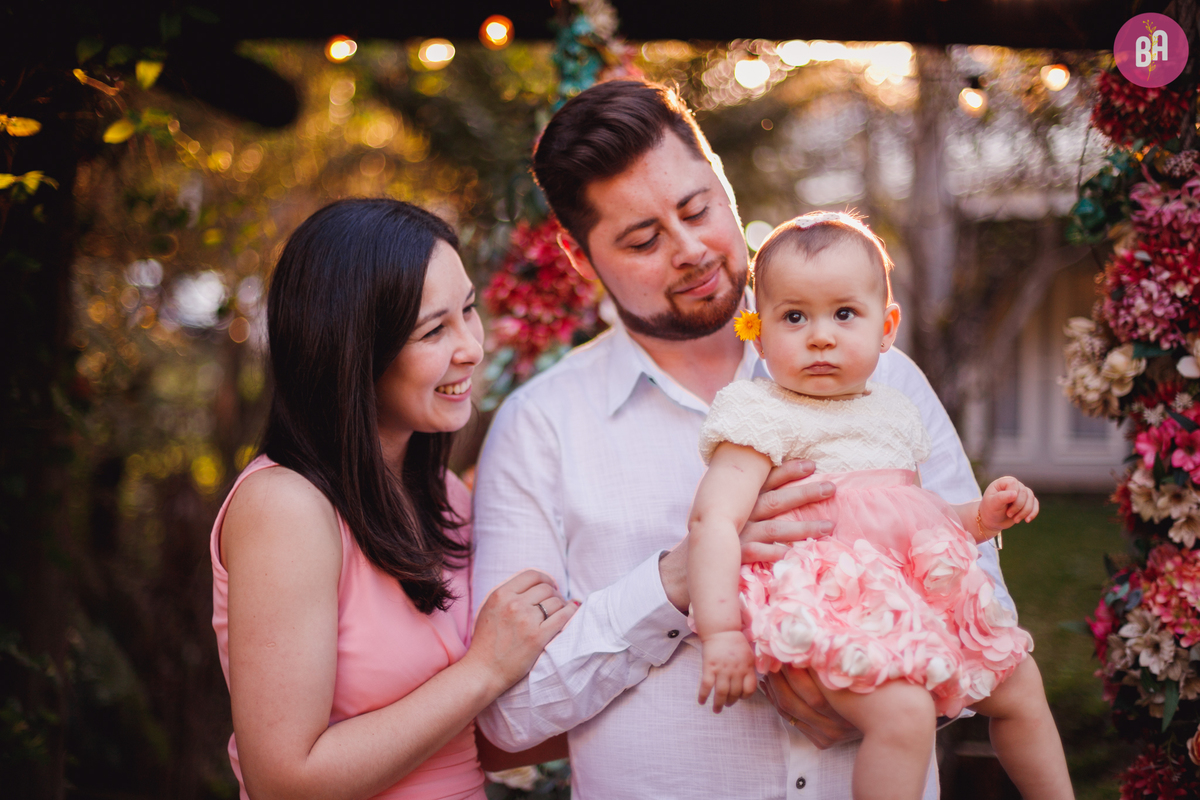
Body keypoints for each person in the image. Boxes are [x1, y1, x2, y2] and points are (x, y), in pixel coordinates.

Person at [472, 80, 1016, 799]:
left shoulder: (886, 380)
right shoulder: (538, 428)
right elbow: (508, 716)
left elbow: (988, 620)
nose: (692, 249)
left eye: (698, 208)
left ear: (723, 182)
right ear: (580, 259)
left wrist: (866, 679)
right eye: (643, 239)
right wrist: (673, 582)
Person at [688, 211, 1073, 800]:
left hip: (916, 600)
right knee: (904, 714)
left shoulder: (892, 409)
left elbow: (913, 516)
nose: (821, 335)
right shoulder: (759, 412)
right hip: (837, 603)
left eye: (844, 314)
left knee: (1021, 687)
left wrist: (981, 518)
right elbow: (714, 518)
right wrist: (720, 633)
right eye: (794, 317)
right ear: (759, 336)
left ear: (886, 326)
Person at [209, 198, 574, 800]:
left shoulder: (446, 496)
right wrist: (485, 668)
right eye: (434, 330)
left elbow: (462, 739)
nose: (472, 348)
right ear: (355, 351)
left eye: (469, 311)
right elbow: (285, 779)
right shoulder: (286, 507)